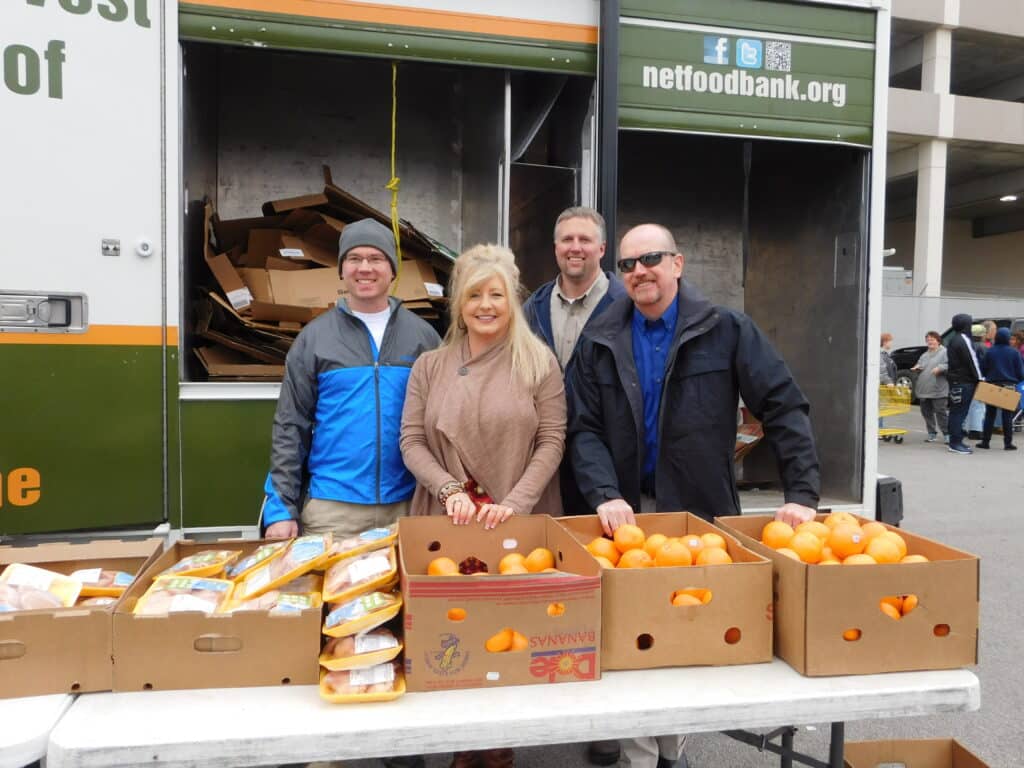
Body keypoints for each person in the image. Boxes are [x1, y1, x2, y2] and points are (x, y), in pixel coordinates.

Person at [567, 223, 820, 768]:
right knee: (630, 637)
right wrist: (605, 493)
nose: (639, 272)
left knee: (689, 632)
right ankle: (639, 756)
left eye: (651, 259)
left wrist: (802, 493)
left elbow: (784, 405)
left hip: (700, 513)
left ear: (677, 263)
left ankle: (674, 747)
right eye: (628, 265)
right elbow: (582, 428)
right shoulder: (599, 338)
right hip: (626, 516)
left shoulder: (725, 329)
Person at [400, 243, 565, 768]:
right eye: (475, 295)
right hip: (448, 517)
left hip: (512, 518)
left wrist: (515, 502)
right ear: (459, 304)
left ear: (511, 299)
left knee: (507, 633)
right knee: (453, 630)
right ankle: (460, 743)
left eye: (496, 294)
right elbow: (410, 441)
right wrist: (449, 489)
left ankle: (498, 744)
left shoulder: (538, 361)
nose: (486, 305)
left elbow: (553, 440)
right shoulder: (430, 365)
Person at [260, 219, 441, 540]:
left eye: (376, 258)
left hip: (408, 507)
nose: (365, 268)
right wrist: (281, 508)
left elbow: (444, 422)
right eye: (354, 259)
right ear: (342, 269)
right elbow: (291, 425)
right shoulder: (313, 338)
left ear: (393, 269)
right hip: (332, 511)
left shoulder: (423, 337)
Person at [523, 206, 626, 523]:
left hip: (608, 461)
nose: (576, 247)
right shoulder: (532, 308)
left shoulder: (626, 308)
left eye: (585, 239)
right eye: (567, 239)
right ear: (556, 248)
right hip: (544, 461)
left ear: (602, 248)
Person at [977, 327, 1024, 450]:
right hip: (1009, 386)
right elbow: (1020, 372)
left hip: (992, 385)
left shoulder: (990, 351)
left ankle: (985, 442)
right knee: (1007, 416)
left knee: (989, 415)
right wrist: (1015, 380)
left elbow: (983, 369)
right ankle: (1008, 443)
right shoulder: (1014, 352)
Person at [945, 313, 983, 455]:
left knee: (956, 412)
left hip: (956, 381)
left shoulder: (954, 339)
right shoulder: (964, 339)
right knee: (959, 413)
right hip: (964, 381)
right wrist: (980, 379)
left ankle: (955, 440)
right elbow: (973, 361)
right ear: (966, 325)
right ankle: (955, 443)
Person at [911, 331, 948, 443]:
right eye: (927, 340)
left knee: (940, 411)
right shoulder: (924, 354)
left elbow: (949, 364)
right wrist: (917, 367)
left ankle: (947, 434)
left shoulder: (944, 352)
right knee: (926, 412)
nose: (929, 342)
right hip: (924, 389)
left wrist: (940, 368)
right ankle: (931, 433)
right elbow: (920, 363)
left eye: (932, 339)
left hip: (938, 389)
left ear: (938, 340)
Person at [966, 324, 988, 440]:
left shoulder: (967, 346)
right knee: (978, 406)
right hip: (980, 379)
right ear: (981, 335)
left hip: (966, 379)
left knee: (966, 404)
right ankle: (975, 430)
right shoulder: (983, 347)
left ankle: (963, 428)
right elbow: (986, 365)